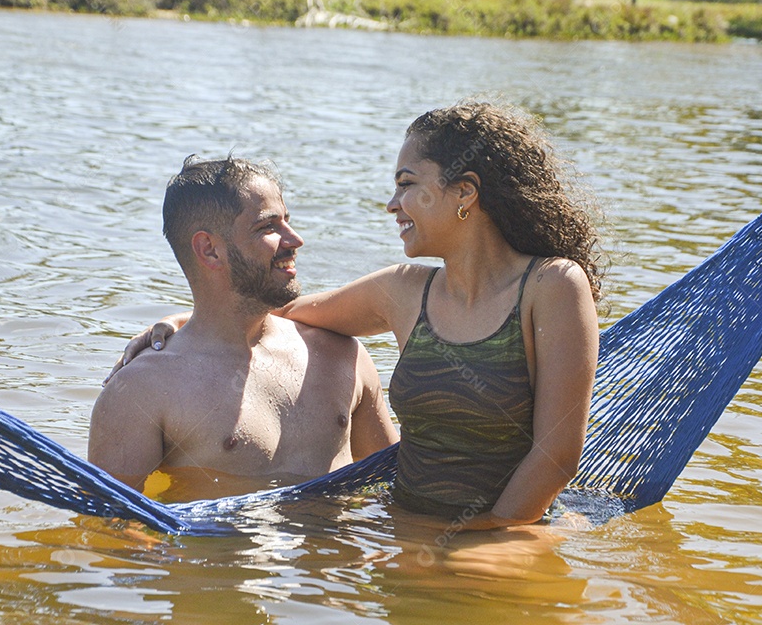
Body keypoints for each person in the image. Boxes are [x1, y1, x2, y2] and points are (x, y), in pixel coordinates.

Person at [115, 103, 601, 528]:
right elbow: (269, 301)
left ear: (464, 193)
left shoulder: (552, 285)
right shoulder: (403, 290)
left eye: (406, 185)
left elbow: (557, 454)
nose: (392, 205)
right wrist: (184, 323)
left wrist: (485, 537)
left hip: (501, 536)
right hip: (407, 528)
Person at [88, 156, 398, 497]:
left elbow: (394, 486)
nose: (295, 240)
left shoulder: (341, 357)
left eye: (287, 222)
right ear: (209, 250)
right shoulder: (140, 390)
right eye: (268, 227)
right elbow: (110, 525)